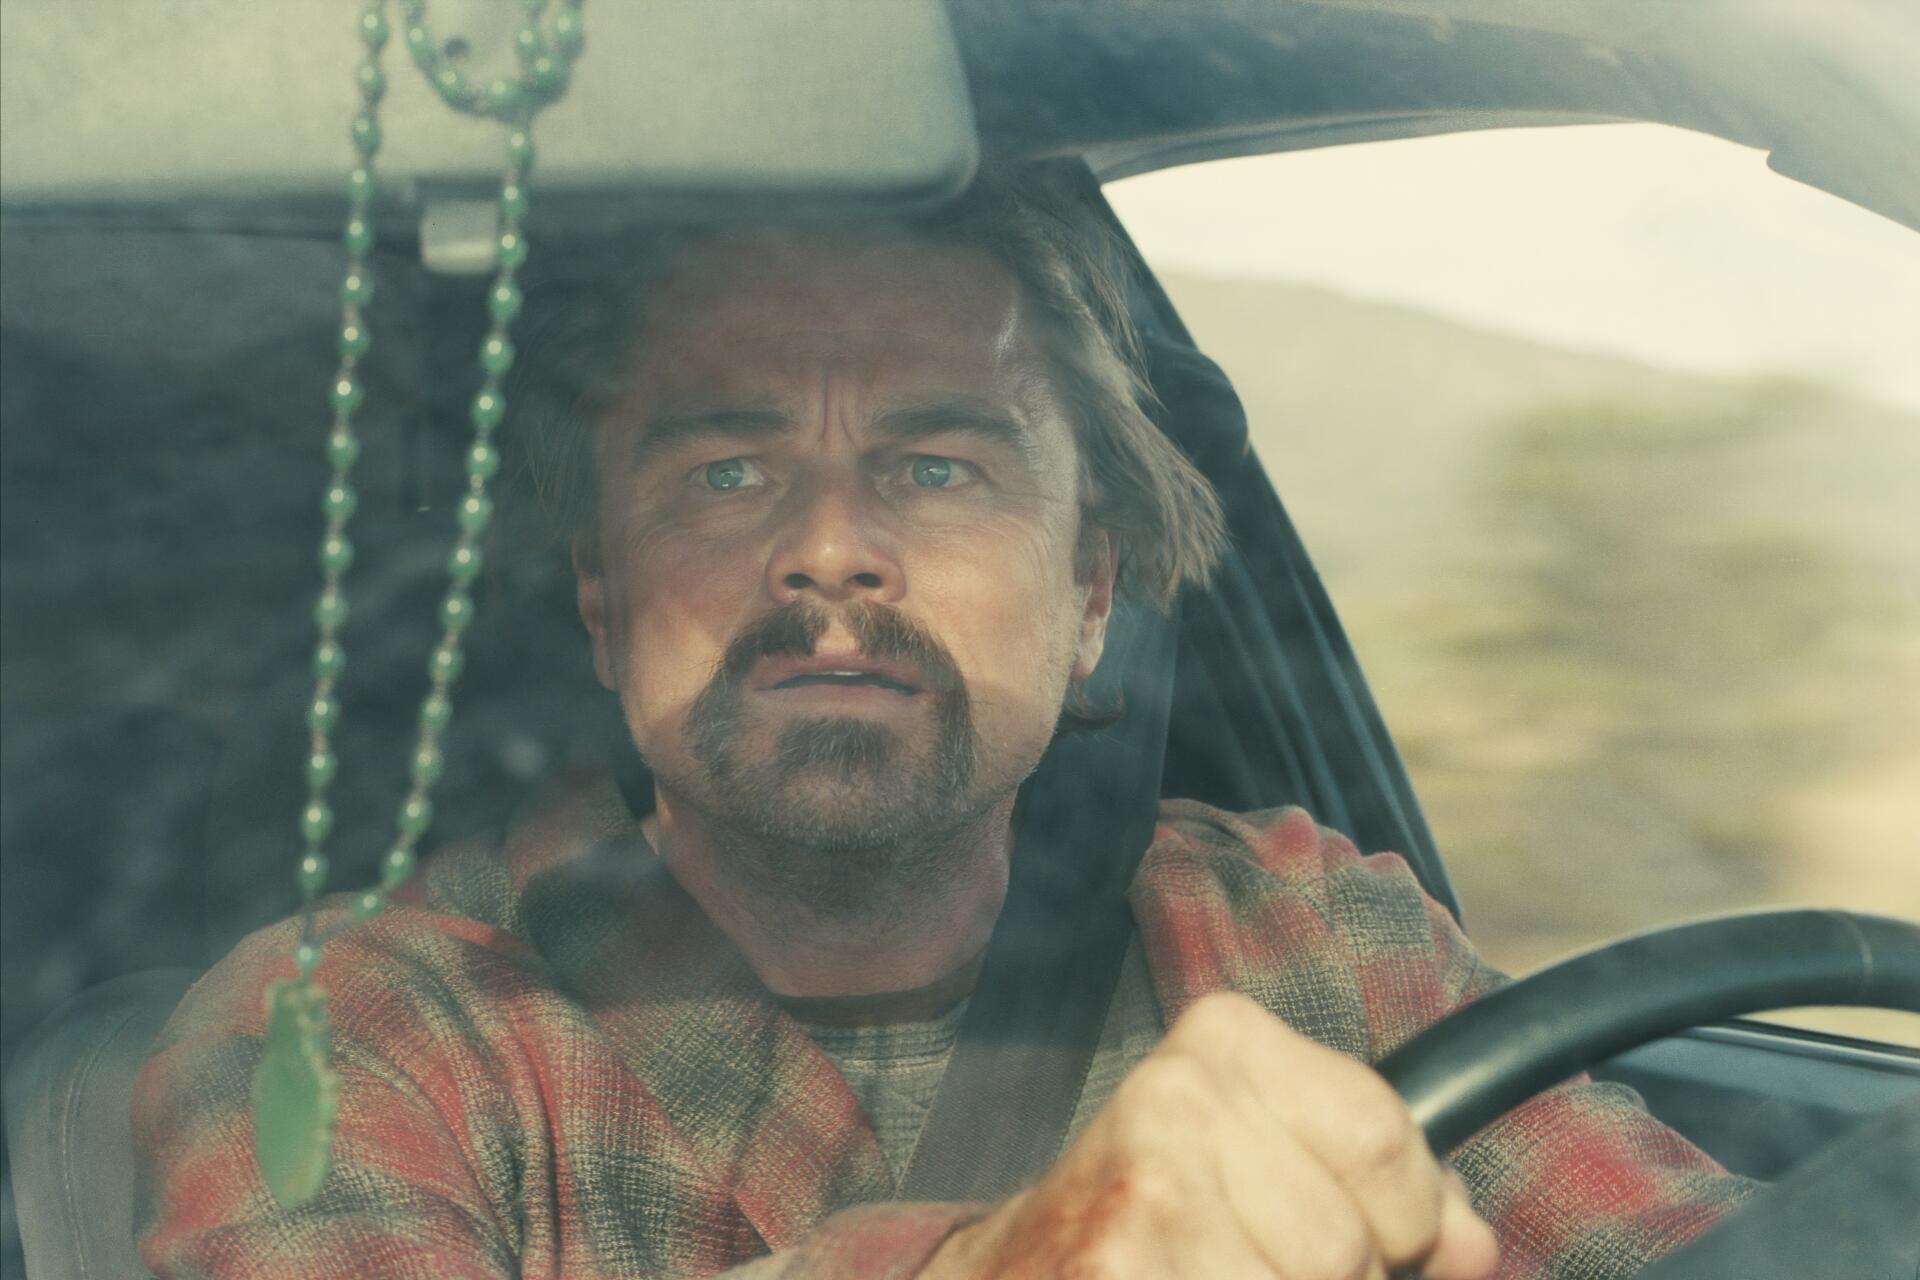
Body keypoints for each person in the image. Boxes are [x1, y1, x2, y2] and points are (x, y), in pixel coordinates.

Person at [133, 166, 1754, 1279]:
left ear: (1093, 590)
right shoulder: (349, 1035)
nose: (828, 545)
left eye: (936, 465)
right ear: (605, 604)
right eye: (727, 471)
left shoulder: (1306, 938)